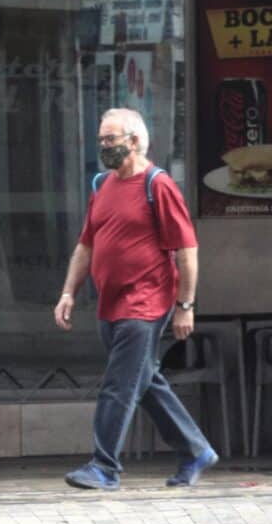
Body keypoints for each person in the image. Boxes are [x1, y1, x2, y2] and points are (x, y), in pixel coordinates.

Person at [53, 107, 216, 491]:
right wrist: (67, 293)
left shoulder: (157, 185)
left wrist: (185, 305)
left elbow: (186, 251)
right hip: (110, 304)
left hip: (145, 304)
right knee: (144, 381)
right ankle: (196, 450)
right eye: (101, 140)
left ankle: (104, 467)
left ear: (136, 140)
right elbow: (86, 245)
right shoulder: (102, 185)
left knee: (119, 385)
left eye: (111, 139)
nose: (105, 147)